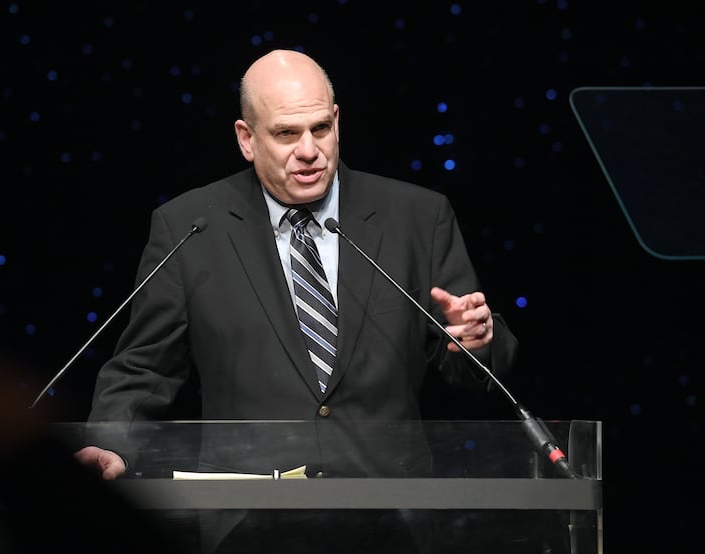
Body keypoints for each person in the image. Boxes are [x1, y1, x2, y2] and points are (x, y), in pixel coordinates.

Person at [74, 48, 519, 553]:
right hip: (247, 524)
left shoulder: (417, 217)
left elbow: (473, 360)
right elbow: (144, 368)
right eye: (286, 134)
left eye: (320, 129)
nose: (309, 150)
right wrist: (109, 442)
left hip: (392, 517)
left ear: (336, 120)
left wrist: (476, 341)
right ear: (247, 139)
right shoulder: (191, 226)